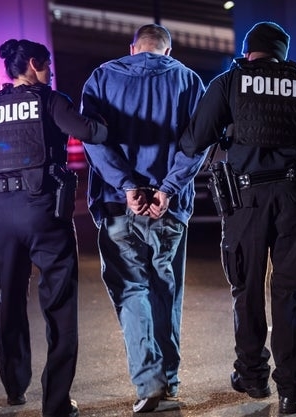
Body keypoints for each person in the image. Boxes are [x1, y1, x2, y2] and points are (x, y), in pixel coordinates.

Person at [179, 22, 296, 415]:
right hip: (295, 201)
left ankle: (252, 376)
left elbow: (194, 140)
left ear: (248, 50)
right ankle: (291, 390)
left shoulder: (228, 83)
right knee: (293, 294)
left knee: (247, 287)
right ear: (282, 53)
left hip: (245, 201)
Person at [0, 38, 107, 417]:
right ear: (33, 64)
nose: (49, 74)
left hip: (1, 215)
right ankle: (57, 403)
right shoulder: (49, 99)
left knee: (10, 297)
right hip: (44, 211)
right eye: (46, 67)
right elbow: (91, 131)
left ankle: (14, 387)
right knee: (59, 305)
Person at [80, 24, 206, 413]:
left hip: (120, 206)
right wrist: (166, 189)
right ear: (168, 51)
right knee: (165, 292)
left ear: (132, 48)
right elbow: (197, 142)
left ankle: (149, 384)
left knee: (132, 293)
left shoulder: (102, 77)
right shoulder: (187, 80)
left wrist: (126, 185)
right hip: (168, 207)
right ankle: (168, 380)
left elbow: (92, 139)